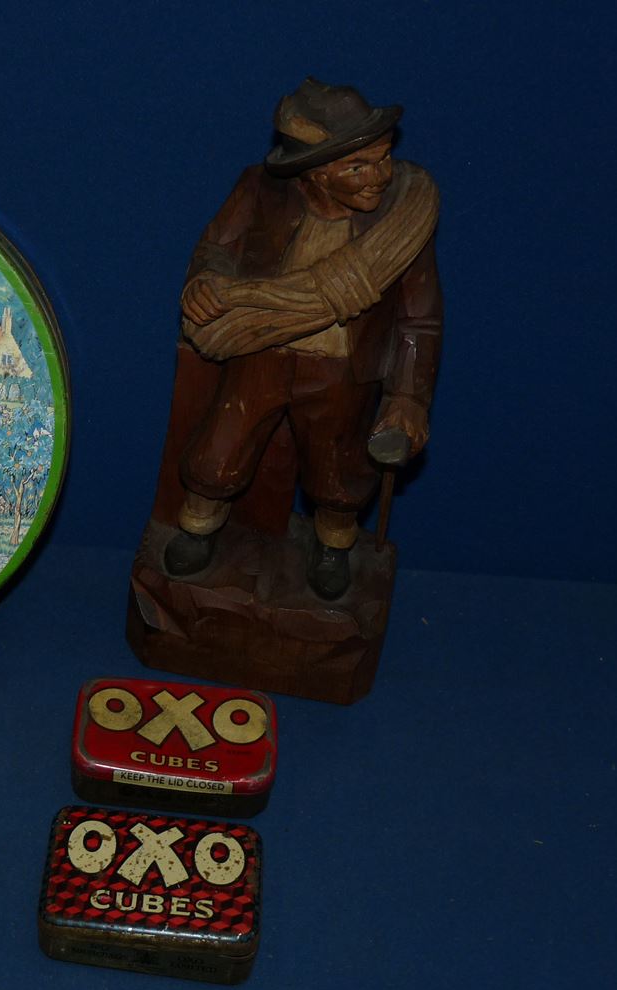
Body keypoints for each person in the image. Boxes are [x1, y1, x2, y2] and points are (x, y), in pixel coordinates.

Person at [162, 78, 442, 600]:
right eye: (357, 167)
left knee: (339, 467)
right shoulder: (259, 190)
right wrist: (204, 283)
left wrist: (407, 397)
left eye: (382, 159)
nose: (378, 177)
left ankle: (334, 543)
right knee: (220, 451)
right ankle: (199, 525)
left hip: (341, 369)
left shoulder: (399, 226)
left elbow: (419, 319)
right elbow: (216, 249)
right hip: (259, 351)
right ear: (314, 172)